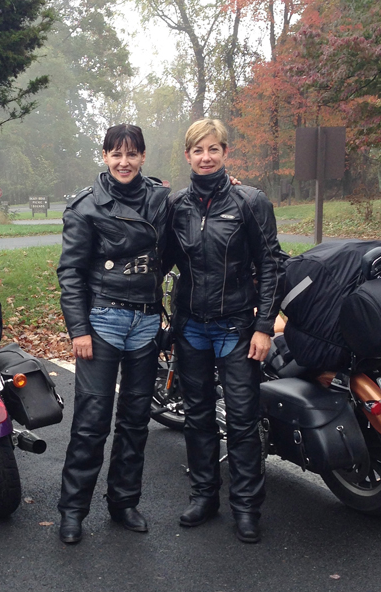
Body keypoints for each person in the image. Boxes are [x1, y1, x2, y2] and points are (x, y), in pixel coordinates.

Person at [164, 118, 286, 544]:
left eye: (213, 149)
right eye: (198, 150)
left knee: (242, 419)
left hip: (236, 327)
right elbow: (160, 260)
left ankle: (247, 508)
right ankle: (203, 496)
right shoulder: (176, 205)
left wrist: (264, 326)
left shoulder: (250, 201)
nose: (206, 157)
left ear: (225, 152)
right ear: (188, 155)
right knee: (196, 417)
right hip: (191, 326)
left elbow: (271, 264)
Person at [56, 124, 170, 545]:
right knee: (91, 422)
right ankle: (72, 511)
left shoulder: (161, 199)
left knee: (136, 421)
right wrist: (79, 329)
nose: (124, 162)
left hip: (145, 322)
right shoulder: (86, 207)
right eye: (116, 154)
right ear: (104, 156)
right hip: (102, 321)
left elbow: (189, 221)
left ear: (142, 157)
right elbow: (70, 272)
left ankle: (124, 503)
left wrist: (229, 185)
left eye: (132, 154)